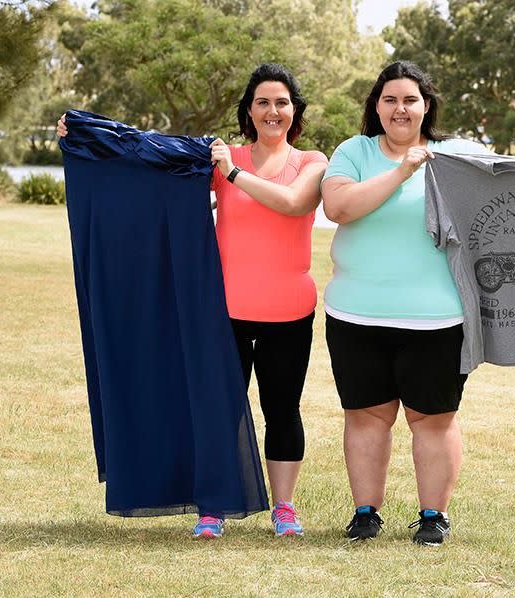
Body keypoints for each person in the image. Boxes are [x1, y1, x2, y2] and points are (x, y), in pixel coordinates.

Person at [321, 61, 515, 546]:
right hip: (356, 313)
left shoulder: (456, 155)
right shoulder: (355, 152)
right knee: (365, 415)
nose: (400, 109)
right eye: (389, 100)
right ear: (375, 107)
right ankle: (365, 514)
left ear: (426, 106)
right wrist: (404, 170)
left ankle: (432, 518)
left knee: (433, 417)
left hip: (438, 317)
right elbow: (338, 207)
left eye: (410, 100)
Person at [58, 63, 327, 539]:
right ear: (248, 110)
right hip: (222, 311)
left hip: (290, 310)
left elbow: (293, 204)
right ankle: (213, 505)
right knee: (215, 407)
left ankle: (283, 508)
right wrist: (88, 140)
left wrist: (233, 172)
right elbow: (155, 168)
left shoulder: (311, 162)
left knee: (282, 409)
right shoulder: (220, 158)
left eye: (281, 102)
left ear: (294, 112)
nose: (272, 111)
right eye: (262, 102)